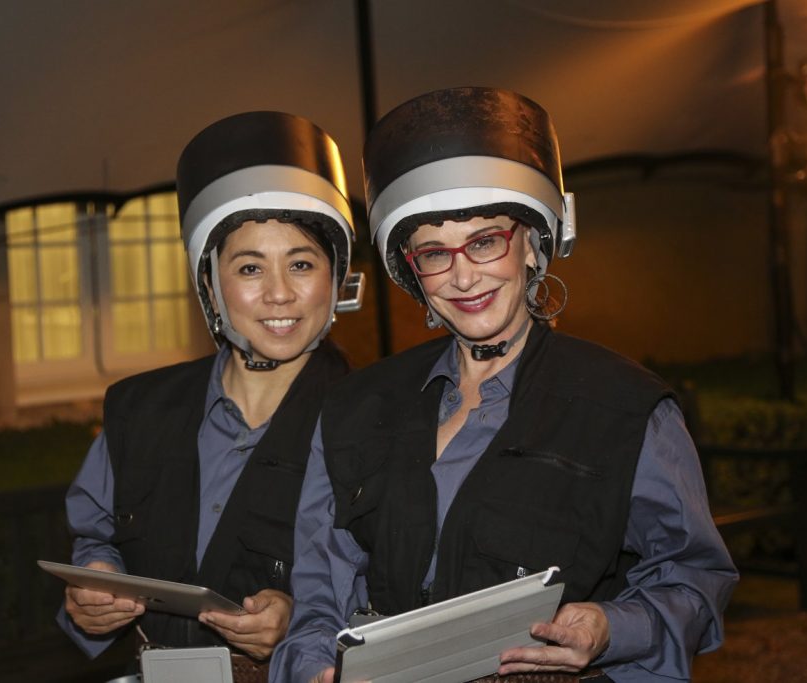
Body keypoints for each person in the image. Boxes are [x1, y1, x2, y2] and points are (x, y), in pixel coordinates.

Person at [270, 87, 738, 683]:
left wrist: (609, 625)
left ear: (533, 244)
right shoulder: (355, 408)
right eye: (434, 253)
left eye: (485, 240)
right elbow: (317, 595)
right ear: (411, 271)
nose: (464, 275)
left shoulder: (626, 407)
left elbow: (695, 578)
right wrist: (314, 667)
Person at [57, 111, 362, 680]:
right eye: (249, 267)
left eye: (301, 264)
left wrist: (299, 622)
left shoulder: (374, 419)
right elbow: (95, 533)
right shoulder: (139, 408)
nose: (278, 294)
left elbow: (393, 575)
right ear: (211, 287)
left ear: (336, 278)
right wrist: (93, 591)